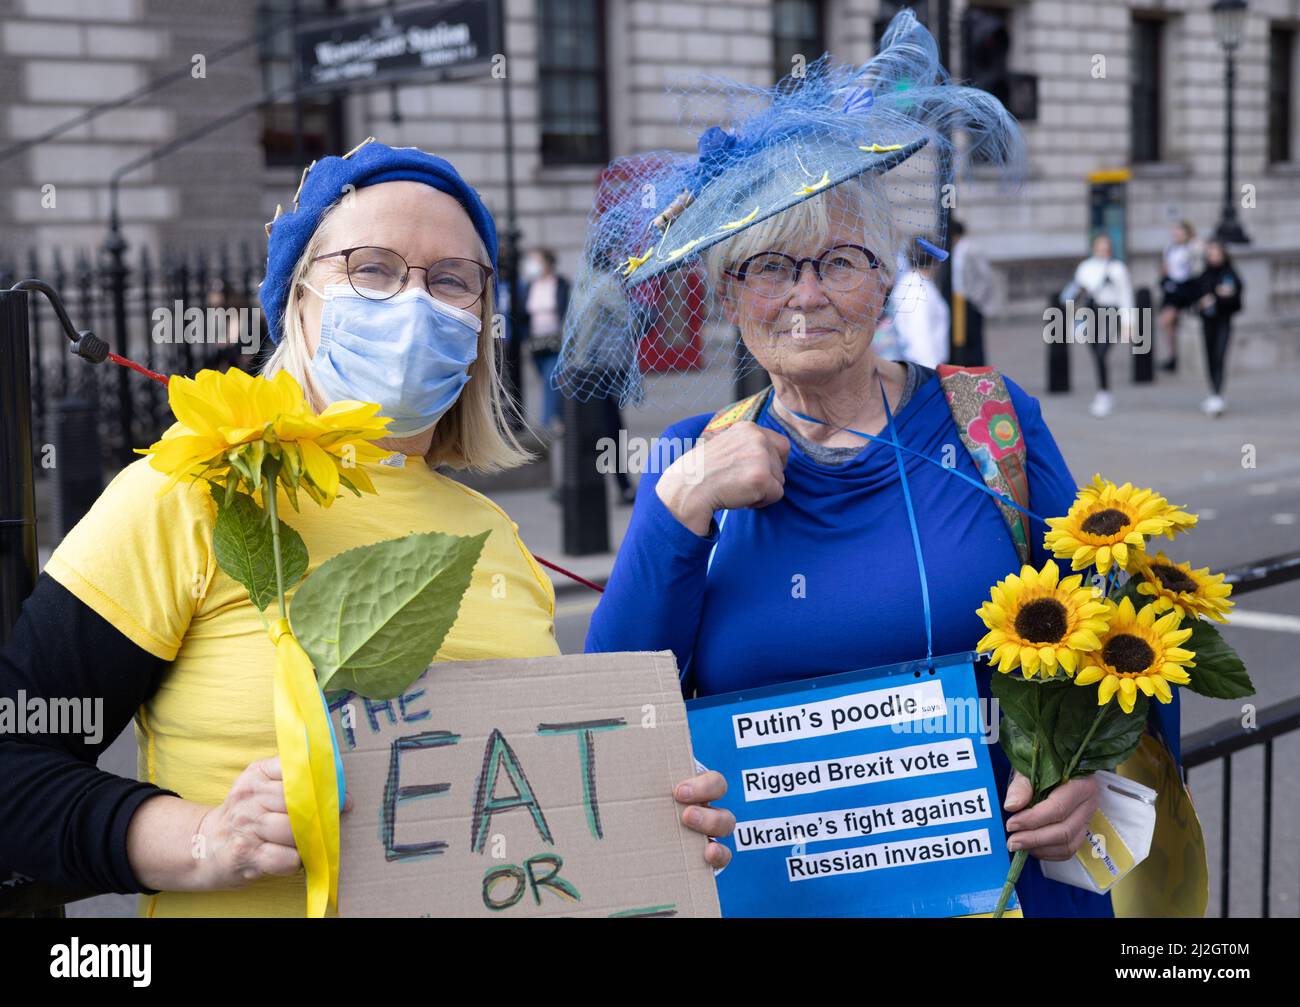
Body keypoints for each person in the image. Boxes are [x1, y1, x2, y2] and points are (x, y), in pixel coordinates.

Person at [0, 140, 733, 917]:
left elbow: (528, 815)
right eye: (372, 268)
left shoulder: (497, 539)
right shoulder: (190, 492)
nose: (414, 302)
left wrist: (652, 823)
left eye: (451, 279)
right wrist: (204, 839)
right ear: (299, 300)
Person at [570, 11, 1187, 917]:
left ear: (889, 276)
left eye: (841, 261)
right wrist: (683, 502)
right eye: (770, 266)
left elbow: (1122, 634)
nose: (807, 295)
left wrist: (1090, 773)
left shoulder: (991, 421)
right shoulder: (689, 458)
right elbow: (617, 713)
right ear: (730, 294)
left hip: (1011, 893)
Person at [1068, 233, 1133, 419]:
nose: (1103, 251)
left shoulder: (1118, 268)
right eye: (1100, 247)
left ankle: (1104, 393)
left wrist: (1129, 322)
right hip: (1090, 312)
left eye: (1106, 247)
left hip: (1111, 312)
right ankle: (1104, 391)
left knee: (1102, 351)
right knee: (1095, 351)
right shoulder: (1085, 268)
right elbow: (1076, 293)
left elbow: (1126, 296)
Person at [518, 248, 568, 431]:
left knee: (551, 379)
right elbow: (523, 314)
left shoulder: (560, 283)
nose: (532, 265)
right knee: (549, 382)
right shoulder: (529, 285)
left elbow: (566, 310)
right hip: (536, 342)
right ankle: (562, 417)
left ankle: (546, 425)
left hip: (555, 341)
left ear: (547, 263)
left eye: (536, 261)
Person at [1193, 238, 1244, 417]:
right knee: (1209, 357)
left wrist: (1216, 296)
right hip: (1207, 321)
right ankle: (1213, 392)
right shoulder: (1204, 275)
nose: (1214, 257)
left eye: (1217, 254)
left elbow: (1236, 298)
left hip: (1223, 320)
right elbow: (1194, 297)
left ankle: (1217, 394)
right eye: (1211, 254)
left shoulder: (1229, 274)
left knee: (1220, 356)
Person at [889, 236, 950, 369]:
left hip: (917, 366)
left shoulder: (914, 283)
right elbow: (920, 337)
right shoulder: (917, 290)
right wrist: (933, 375)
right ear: (934, 260)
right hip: (924, 369)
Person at [950, 218, 998, 366]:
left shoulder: (971, 249)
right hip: (956, 300)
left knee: (973, 339)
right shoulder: (954, 251)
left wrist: (975, 300)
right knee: (960, 339)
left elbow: (986, 276)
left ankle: (977, 369)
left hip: (969, 300)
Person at [1157, 220, 1201, 373]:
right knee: (1168, 324)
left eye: (1180, 232)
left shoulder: (1191, 248)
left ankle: (1174, 356)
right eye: (1175, 232)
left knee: (1166, 320)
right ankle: (1173, 355)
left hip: (1185, 288)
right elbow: (1165, 268)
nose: (1176, 235)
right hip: (1171, 287)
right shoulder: (1170, 249)